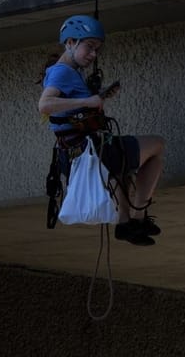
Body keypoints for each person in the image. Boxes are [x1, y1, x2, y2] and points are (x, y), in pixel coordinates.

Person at [38, 15, 167, 245]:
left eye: (96, 49)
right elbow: (45, 105)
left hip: (81, 151)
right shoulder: (62, 71)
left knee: (120, 171)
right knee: (157, 146)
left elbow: (70, 108)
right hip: (91, 149)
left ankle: (126, 223)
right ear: (70, 43)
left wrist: (99, 97)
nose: (93, 54)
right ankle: (137, 216)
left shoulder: (68, 73)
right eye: (89, 47)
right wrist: (87, 102)